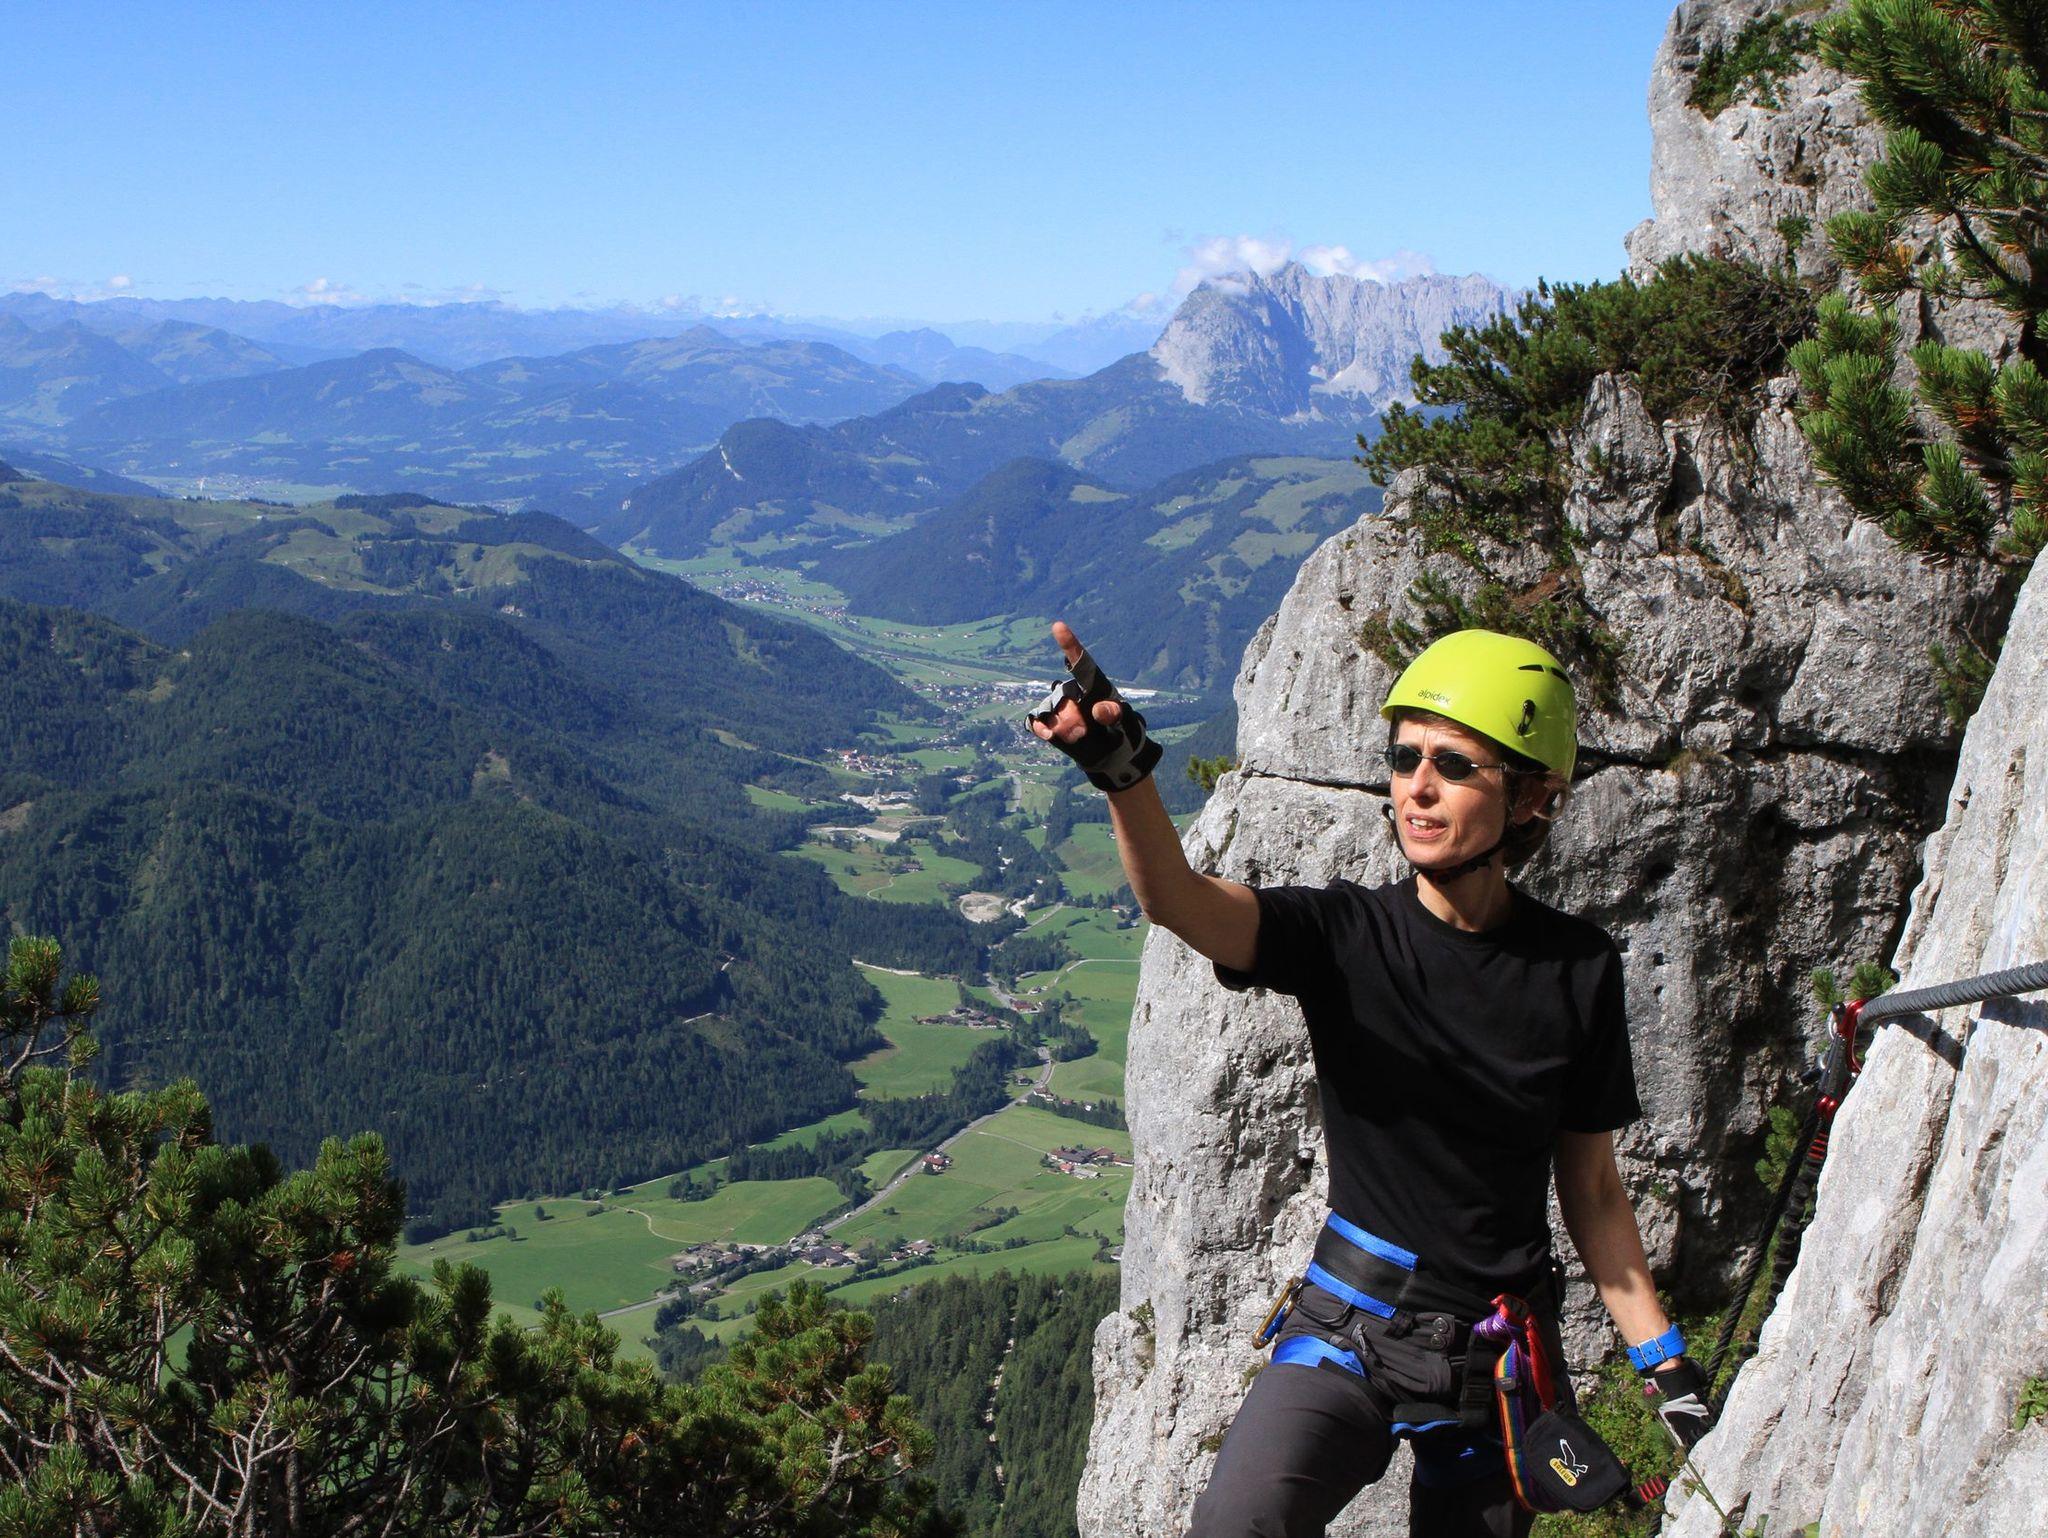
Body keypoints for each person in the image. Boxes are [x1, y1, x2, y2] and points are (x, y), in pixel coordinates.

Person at [1028, 621, 1713, 1538]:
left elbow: (1590, 1190)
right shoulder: (1347, 937)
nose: (1416, 787)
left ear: (1532, 797)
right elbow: (1180, 902)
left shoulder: (1577, 969)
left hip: (1494, 1351)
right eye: (1403, 758)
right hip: (1351, 1321)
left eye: (1454, 765)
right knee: (1238, 1523)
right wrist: (1124, 773)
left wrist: (1664, 1363)